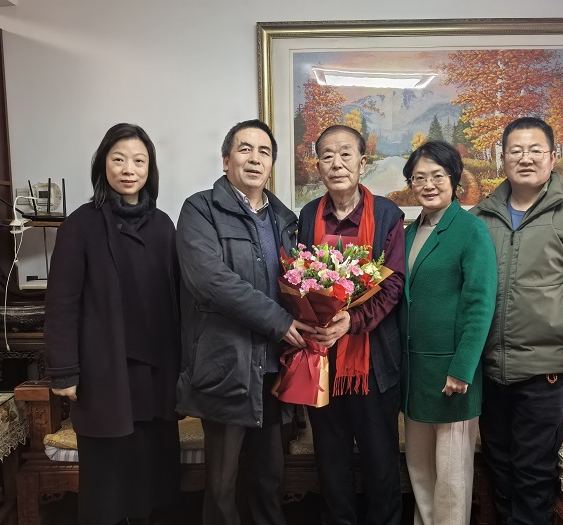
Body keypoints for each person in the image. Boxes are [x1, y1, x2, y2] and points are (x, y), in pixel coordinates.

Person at [471, 117, 563, 524]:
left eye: (536, 150)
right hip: (489, 369)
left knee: (533, 474)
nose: (526, 158)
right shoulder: (480, 217)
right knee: (499, 468)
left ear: (553, 157)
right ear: (502, 159)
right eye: (516, 151)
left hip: (546, 371)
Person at [175, 119, 314, 525]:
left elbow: (299, 283)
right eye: (245, 149)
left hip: (275, 369)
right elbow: (210, 281)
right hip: (225, 366)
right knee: (222, 484)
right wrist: (278, 321)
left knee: (270, 478)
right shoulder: (200, 209)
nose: (255, 158)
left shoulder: (285, 219)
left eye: (264, 151)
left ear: (271, 165)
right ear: (226, 160)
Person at [44, 123, 181, 525]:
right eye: (118, 159)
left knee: (152, 476)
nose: (128, 169)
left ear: (150, 169)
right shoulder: (80, 225)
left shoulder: (164, 225)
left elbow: (178, 299)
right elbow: (61, 304)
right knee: (107, 482)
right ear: (102, 164)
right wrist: (64, 371)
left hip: (156, 372)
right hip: (105, 372)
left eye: (139, 160)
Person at [298, 124, 406, 525]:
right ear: (318, 166)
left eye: (346, 154)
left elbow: (393, 283)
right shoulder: (308, 214)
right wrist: (313, 320)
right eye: (327, 155)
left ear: (363, 162)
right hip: (321, 357)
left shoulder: (387, 214)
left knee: (380, 463)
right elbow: (298, 277)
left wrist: (352, 320)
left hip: (373, 362)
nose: (337, 163)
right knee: (331, 461)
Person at [399, 141, 497, 525]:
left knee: (451, 478)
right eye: (418, 177)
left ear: (454, 179)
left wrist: (462, 368)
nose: (428, 184)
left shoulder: (471, 229)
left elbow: (480, 304)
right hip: (415, 371)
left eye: (437, 176)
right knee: (420, 471)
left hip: (451, 374)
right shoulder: (409, 232)